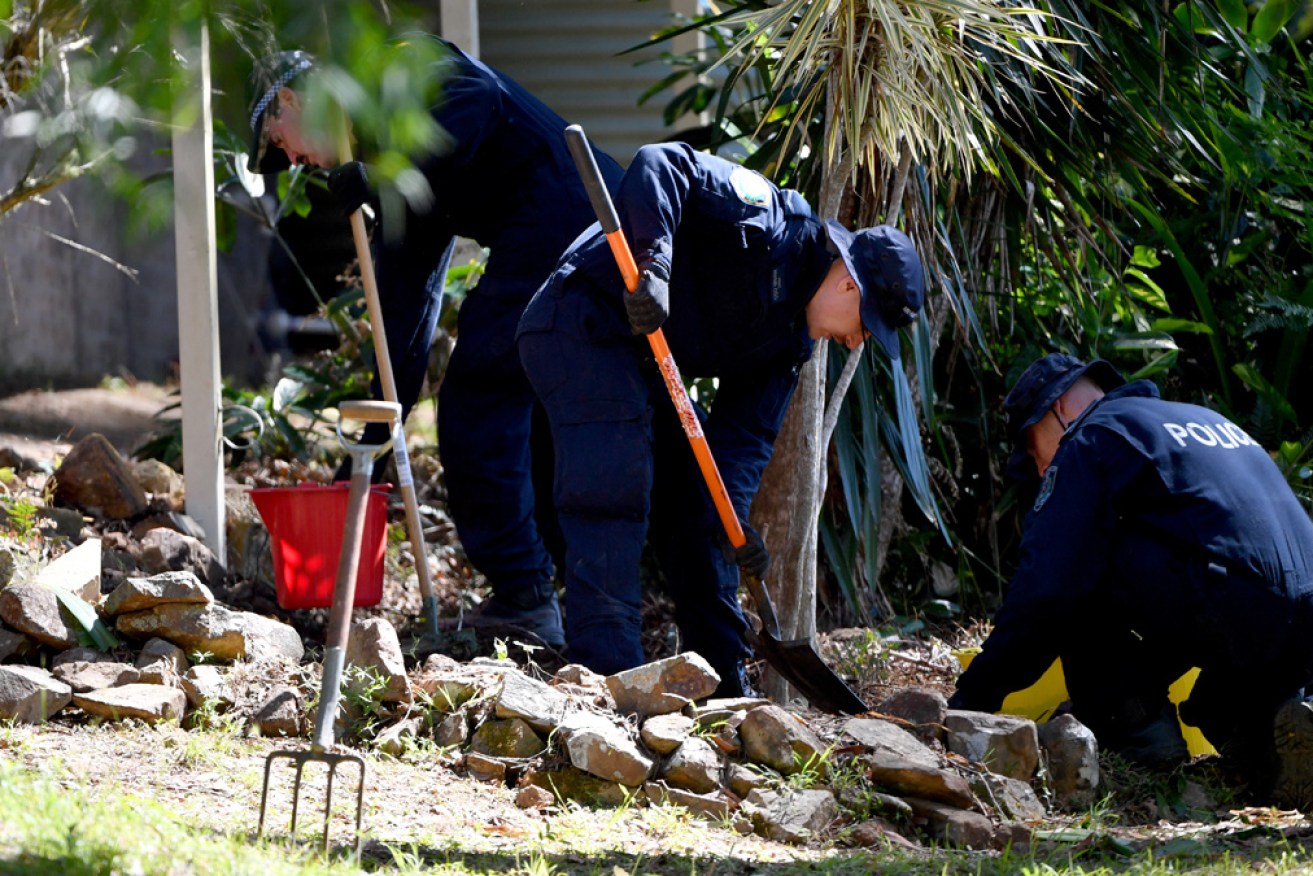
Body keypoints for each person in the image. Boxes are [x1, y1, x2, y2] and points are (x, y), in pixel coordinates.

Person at [245, 43, 626, 648]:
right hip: (558, 235)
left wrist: (372, 177)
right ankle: (572, 609)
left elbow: (476, 101)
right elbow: (405, 302)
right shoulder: (389, 162)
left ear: (294, 98)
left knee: (480, 394)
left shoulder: (398, 74)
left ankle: (525, 598)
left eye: (279, 138)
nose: (290, 159)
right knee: (540, 419)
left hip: (575, 219)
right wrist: (368, 448)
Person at [516, 141, 925, 696]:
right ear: (848, 283)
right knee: (615, 480)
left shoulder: (790, 345)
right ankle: (607, 677)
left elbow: (745, 436)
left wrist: (732, 520)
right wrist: (654, 264)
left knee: (701, 505)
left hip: (642, 362)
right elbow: (661, 163)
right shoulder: (769, 224)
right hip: (579, 318)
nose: (856, 340)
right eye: (865, 324)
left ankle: (724, 684)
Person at [950, 352, 1313, 807]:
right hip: (1298, 614)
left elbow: (1045, 592)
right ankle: (1282, 741)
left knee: (1074, 575)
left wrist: (968, 700)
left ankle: (1142, 741)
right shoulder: (1200, 417)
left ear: (1057, 408)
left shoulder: (1091, 436)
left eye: (1031, 447)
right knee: (1223, 710)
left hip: (1233, 600)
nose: (1039, 468)